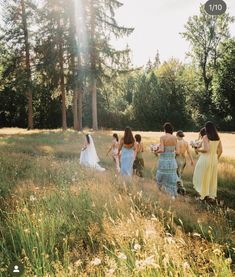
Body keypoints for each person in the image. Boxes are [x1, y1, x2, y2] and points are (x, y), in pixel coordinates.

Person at [193, 122, 223, 201]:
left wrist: (198, 149)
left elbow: (206, 149)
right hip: (214, 160)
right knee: (212, 177)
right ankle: (211, 196)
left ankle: (202, 196)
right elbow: (221, 150)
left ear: (207, 128)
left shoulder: (206, 137)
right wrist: (217, 159)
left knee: (201, 176)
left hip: (205, 159)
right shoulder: (218, 137)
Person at [155, 122, 179, 198]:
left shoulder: (162, 137)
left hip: (163, 160)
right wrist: (171, 152)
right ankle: (172, 195)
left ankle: (162, 193)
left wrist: (155, 151)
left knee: (161, 177)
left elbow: (161, 150)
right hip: (172, 161)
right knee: (171, 177)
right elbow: (178, 152)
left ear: (165, 129)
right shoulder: (175, 138)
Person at [175, 130, 194, 195]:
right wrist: (192, 160)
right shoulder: (186, 142)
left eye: (176, 136)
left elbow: (177, 152)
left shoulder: (177, 142)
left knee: (177, 174)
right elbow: (188, 152)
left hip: (178, 159)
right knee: (179, 174)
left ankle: (181, 188)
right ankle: (179, 188)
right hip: (183, 159)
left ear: (177, 135)